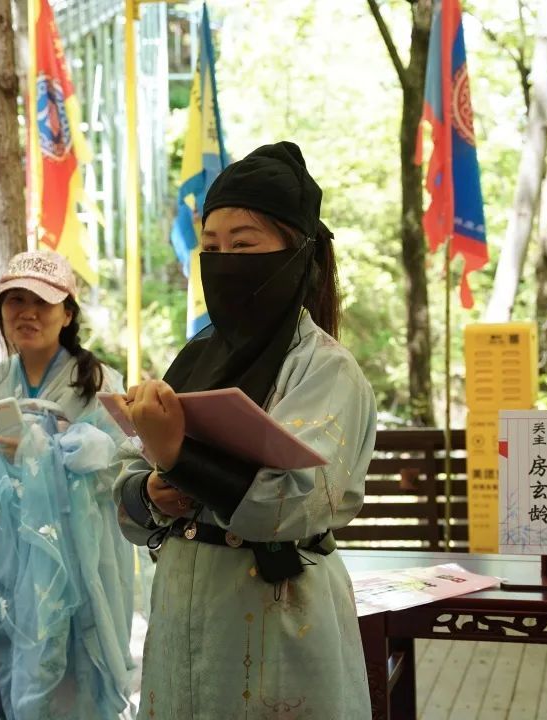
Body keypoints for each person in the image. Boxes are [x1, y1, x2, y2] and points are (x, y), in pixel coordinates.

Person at [113, 141, 377, 719]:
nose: (224, 259)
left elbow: (297, 501)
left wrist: (178, 456)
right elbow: (129, 475)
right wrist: (149, 489)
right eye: (211, 245)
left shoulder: (325, 368)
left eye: (244, 244)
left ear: (296, 253)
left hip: (277, 620)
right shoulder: (198, 354)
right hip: (186, 611)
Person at [0, 250, 135, 719]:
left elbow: (124, 462)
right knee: (14, 657)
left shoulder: (98, 380)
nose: (26, 313)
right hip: (11, 554)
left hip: (80, 550)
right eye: (15, 301)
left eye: (42, 303)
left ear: (67, 313)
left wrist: (54, 451)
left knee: (77, 670)